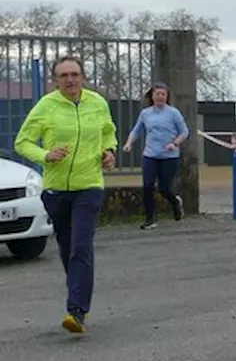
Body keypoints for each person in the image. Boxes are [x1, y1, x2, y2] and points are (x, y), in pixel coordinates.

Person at [14, 55, 117, 334]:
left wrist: (109, 152)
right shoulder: (46, 107)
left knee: (81, 245)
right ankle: (78, 293)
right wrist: (45, 155)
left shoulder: (97, 102)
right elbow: (22, 142)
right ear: (54, 81)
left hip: (89, 184)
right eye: (63, 76)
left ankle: (76, 310)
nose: (70, 80)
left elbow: (109, 133)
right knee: (67, 247)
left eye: (74, 74)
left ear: (82, 77)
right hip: (56, 190)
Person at [122, 82, 188, 230]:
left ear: (167, 96)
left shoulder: (173, 113)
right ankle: (150, 219)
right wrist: (129, 143)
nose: (160, 97)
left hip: (169, 156)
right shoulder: (146, 113)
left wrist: (174, 143)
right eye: (157, 94)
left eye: (163, 94)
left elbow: (184, 132)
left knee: (164, 188)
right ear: (152, 96)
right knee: (147, 186)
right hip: (150, 155)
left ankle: (175, 202)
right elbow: (136, 131)